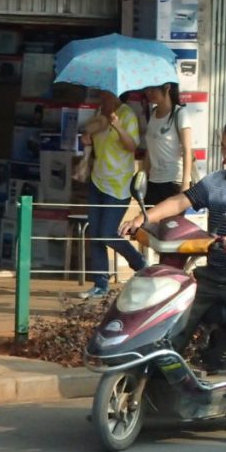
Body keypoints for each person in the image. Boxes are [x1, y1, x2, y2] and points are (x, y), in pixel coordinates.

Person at [119, 118, 226, 447]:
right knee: (169, 328)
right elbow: (179, 203)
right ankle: (151, 399)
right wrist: (143, 218)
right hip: (212, 277)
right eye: (223, 149)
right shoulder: (216, 182)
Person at [78, 90, 146, 299]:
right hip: (98, 180)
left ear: (117, 95)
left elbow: (132, 147)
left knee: (107, 232)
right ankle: (100, 284)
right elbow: (88, 135)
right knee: (95, 233)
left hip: (118, 185)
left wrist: (117, 125)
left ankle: (139, 263)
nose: (102, 97)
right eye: (101, 94)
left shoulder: (127, 115)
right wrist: (87, 136)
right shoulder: (100, 113)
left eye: (106, 94)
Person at [143, 83, 193, 206]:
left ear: (167, 87)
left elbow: (187, 151)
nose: (149, 93)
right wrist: (143, 175)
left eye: (153, 89)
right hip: (153, 181)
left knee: (171, 224)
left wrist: (185, 184)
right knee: (150, 223)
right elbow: (150, 150)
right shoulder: (153, 113)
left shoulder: (180, 114)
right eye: (147, 89)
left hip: (174, 182)